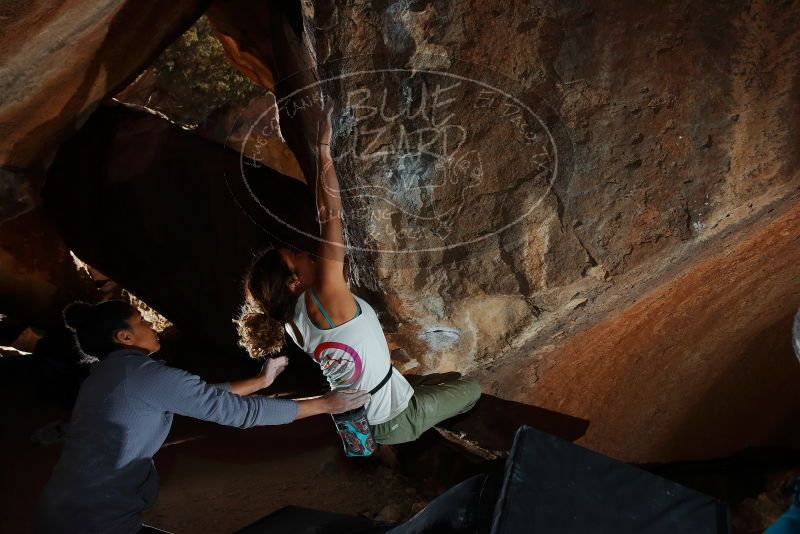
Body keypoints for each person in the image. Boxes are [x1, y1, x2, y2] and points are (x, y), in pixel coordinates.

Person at [237, 102, 481, 445]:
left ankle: (422, 418)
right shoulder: (323, 295)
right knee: (471, 387)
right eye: (295, 256)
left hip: (366, 416)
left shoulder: (291, 321)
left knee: (445, 378)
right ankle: (433, 428)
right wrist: (323, 151)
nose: (304, 253)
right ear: (294, 281)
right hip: (394, 418)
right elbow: (329, 214)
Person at [36, 299, 368, 534]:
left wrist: (261, 381)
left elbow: (198, 395)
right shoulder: (143, 376)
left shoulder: (108, 375)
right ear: (124, 338)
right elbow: (238, 413)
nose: (151, 325)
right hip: (94, 520)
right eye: (141, 322)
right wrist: (323, 404)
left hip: (65, 509)